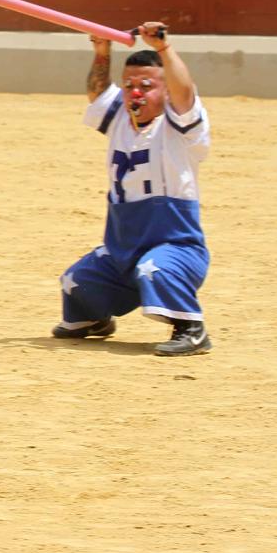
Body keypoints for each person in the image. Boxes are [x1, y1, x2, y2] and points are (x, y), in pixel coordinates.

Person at [53, 22, 214, 358]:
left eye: (146, 85)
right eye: (129, 85)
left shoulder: (179, 126)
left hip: (175, 246)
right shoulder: (119, 121)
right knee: (76, 281)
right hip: (123, 245)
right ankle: (94, 320)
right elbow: (98, 93)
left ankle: (191, 329)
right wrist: (102, 51)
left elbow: (184, 92)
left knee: (154, 269)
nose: (135, 92)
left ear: (166, 90)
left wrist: (164, 50)